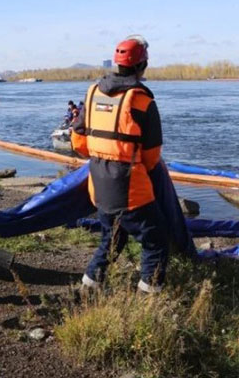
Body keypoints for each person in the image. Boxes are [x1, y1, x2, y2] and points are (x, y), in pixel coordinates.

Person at [70, 35, 169, 293]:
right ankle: (150, 297)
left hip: (98, 182)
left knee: (112, 238)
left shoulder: (92, 93)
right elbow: (151, 154)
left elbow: (78, 140)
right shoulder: (142, 100)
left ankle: (89, 286)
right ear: (141, 66)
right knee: (155, 240)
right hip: (128, 185)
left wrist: (100, 153)